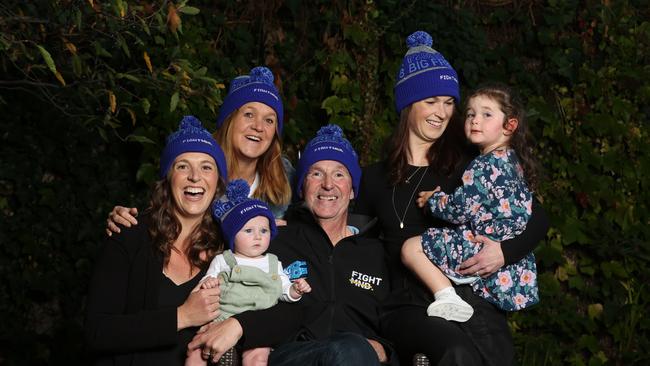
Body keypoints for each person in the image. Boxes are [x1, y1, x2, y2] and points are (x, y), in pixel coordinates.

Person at [354, 31, 549, 365]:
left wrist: (503, 253)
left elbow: (537, 217)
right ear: (408, 104)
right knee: (456, 350)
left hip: (468, 292)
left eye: (448, 103)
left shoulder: (466, 167)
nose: (442, 113)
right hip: (406, 304)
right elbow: (349, 242)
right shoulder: (373, 177)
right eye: (431, 102)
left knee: (496, 352)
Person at [187, 124, 397, 366]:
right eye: (316, 173)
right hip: (294, 355)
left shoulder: (376, 253)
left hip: (361, 356)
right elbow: (236, 287)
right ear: (302, 188)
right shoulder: (274, 242)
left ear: (352, 191)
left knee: (352, 349)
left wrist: (384, 349)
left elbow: (396, 320)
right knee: (346, 349)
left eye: (339, 174)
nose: (328, 184)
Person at [85, 116, 228, 366]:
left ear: (217, 183)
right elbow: (97, 331)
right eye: (182, 166)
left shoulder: (228, 247)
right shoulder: (129, 235)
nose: (195, 176)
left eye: (207, 167)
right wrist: (181, 317)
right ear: (167, 178)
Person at [401, 83, 539, 324]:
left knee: (411, 248)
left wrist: (433, 200)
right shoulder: (513, 162)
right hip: (512, 257)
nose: (475, 120)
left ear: (510, 126)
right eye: (471, 114)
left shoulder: (482, 166)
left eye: (487, 114)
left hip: (480, 247)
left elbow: (458, 210)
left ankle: (446, 296)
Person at [106, 66, 292, 235]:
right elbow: (160, 211)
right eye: (249, 114)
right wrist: (126, 219)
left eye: (269, 120)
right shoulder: (196, 164)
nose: (258, 127)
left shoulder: (284, 174)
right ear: (229, 120)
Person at [185, 179, 311, 366]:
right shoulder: (224, 259)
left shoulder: (273, 263)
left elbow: (283, 290)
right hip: (221, 319)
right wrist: (210, 282)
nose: (258, 236)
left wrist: (295, 290)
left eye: (264, 230)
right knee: (196, 354)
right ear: (232, 236)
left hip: (257, 325)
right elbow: (207, 280)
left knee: (258, 358)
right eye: (249, 230)